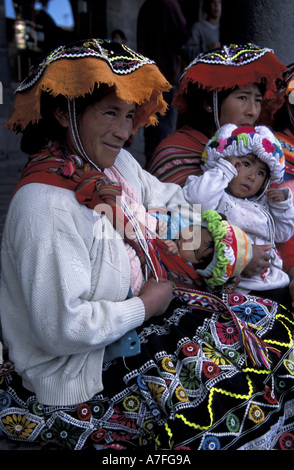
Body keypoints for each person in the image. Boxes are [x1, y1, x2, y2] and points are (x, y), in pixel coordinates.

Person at [0, 38, 294, 451]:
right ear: (62, 113)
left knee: (265, 323)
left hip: (139, 315)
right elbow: (61, 328)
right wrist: (146, 306)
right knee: (216, 393)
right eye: (109, 114)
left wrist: (204, 237)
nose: (124, 131)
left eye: (127, 115)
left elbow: (168, 200)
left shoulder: (114, 165)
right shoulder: (44, 206)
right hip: (80, 367)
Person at [183, 124, 294, 306]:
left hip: (273, 282)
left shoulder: (262, 205)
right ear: (224, 159)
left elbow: (283, 233)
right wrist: (224, 169)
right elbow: (197, 201)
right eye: (246, 164)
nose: (252, 177)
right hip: (238, 289)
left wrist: (282, 205)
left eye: (260, 173)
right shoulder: (215, 194)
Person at [147, 43, 286, 187]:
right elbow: (169, 207)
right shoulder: (175, 151)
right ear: (209, 103)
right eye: (243, 98)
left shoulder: (261, 155)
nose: (253, 112)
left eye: (257, 100)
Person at [137, 0, 187, 166]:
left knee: (150, 125)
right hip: (165, 75)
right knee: (164, 129)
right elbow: (182, 37)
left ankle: (151, 167)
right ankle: (161, 169)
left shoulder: (145, 7)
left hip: (147, 76)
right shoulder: (169, 5)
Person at [158, 209, 253, 290]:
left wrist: (174, 258)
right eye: (195, 234)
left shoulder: (190, 276)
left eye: (194, 250)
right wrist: (158, 225)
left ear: (201, 269)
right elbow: (157, 217)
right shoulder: (178, 222)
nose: (187, 240)